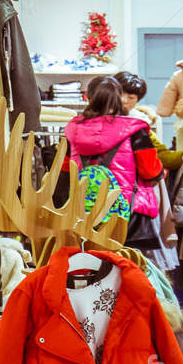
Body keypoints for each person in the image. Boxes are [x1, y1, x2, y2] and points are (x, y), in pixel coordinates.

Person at [65, 77, 164, 251]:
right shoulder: (134, 130)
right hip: (127, 214)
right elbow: (151, 171)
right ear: (119, 98)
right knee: (127, 267)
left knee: (89, 265)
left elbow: (66, 170)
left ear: (88, 98)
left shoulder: (73, 131)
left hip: (83, 211)